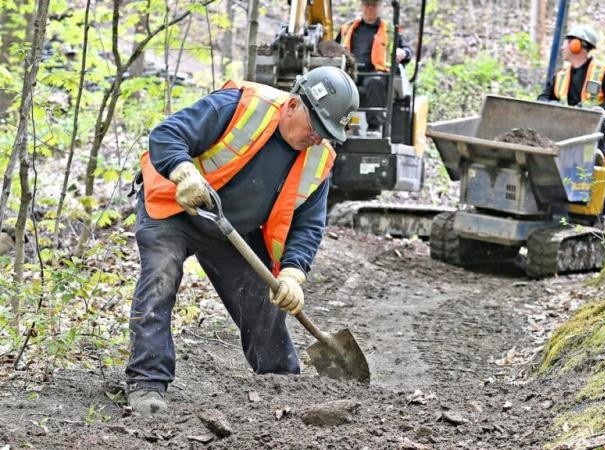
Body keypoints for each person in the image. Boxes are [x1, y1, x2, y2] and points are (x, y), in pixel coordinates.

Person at [126, 66, 359, 415]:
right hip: (174, 208)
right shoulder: (241, 106)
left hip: (229, 228)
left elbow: (308, 224)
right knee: (161, 274)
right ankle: (147, 384)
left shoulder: (319, 158)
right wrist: (184, 172)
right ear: (294, 104)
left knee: (263, 296)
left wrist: (293, 273)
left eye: (327, 133)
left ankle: (282, 382)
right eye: (316, 127)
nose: (318, 138)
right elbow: (167, 134)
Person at [336, 0, 413, 133]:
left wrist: (403, 52)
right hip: (351, 72)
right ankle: (340, 125)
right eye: (367, 5)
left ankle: (374, 127)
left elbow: (407, 50)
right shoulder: (348, 28)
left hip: (376, 73)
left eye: (374, 5)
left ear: (380, 7)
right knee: (340, 82)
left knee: (374, 82)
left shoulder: (389, 30)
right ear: (361, 6)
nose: (370, 9)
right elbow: (334, 47)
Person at [538, 25, 605, 115]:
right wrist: (552, 104)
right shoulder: (560, 76)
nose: (562, 48)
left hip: (596, 125)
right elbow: (543, 97)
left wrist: (601, 109)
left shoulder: (602, 71)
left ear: (575, 44)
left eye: (565, 44)